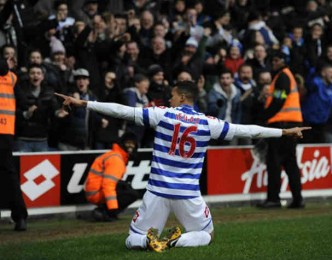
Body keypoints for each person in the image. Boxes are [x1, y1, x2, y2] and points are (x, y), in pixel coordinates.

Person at [56, 80, 310, 252]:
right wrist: (284, 132)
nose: (170, 96)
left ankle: (147, 241)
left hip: (156, 191)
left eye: (173, 94)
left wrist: (85, 103)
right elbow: (248, 130)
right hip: (187, 193)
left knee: (131, 238)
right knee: (207, 234)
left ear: (182, 96)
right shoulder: (208, 123)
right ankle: (177, 241)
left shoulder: (163, 114)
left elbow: (122, 111)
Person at [258, 51, 305, 209]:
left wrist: (263, 117)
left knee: (274, 162)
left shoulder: (282, 76)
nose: (274, 63)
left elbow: (279, 100)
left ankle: (273, 199)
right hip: (291, 124)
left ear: (282, 61)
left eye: (276, 60)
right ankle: (298, 199)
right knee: (291, 163)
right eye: (273, 60)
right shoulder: (287, 75)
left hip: (281, 125)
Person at [85, 132, 140, 222]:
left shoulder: (116, 155)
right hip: (96, 193)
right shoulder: (116, 159)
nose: (130, 146)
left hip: (95, 190)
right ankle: (105, 212)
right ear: (122, 143)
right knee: (131, 194)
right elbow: (108, 185)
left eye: (133, 143)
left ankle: (105, 211)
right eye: (128, 143)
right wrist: (112, 208)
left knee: (125, 187)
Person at [0, 58, 28, 231]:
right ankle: (20, 217)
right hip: (6, 132)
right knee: (9, 175)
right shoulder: (11, 77)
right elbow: (23, 102)